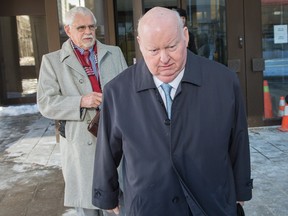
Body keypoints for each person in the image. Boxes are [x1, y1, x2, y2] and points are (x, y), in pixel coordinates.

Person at [92, 6, 252, 216]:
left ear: (185, 36)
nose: (164, 59)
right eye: (154, 50)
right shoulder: (117, 90)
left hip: (210, 200)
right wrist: (106, 194)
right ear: (140, 44)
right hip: (148, 204)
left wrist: (242, 188)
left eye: (171, 46)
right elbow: (106, 148)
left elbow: (239, 139)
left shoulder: (224, 81)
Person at [37, 6, 127, 216]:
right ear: (68, 30)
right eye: (81, 28)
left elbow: (127, 90)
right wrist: (80, 101)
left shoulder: (114, 53)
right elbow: (45, 103)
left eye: (91, 27)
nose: (88, 32)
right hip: (81, 143)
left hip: (115, 135)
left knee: (119, 203)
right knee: (88, 205)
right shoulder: (51, 61)